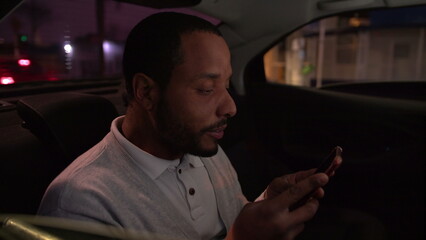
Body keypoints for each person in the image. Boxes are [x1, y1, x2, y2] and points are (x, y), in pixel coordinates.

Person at [38, 12, 341, 240]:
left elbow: (233, 222)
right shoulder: (81, 204)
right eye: (207, 89)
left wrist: (262, 206)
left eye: (225, 85)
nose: (230, 107)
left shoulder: (202, 147)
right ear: (146, 92)